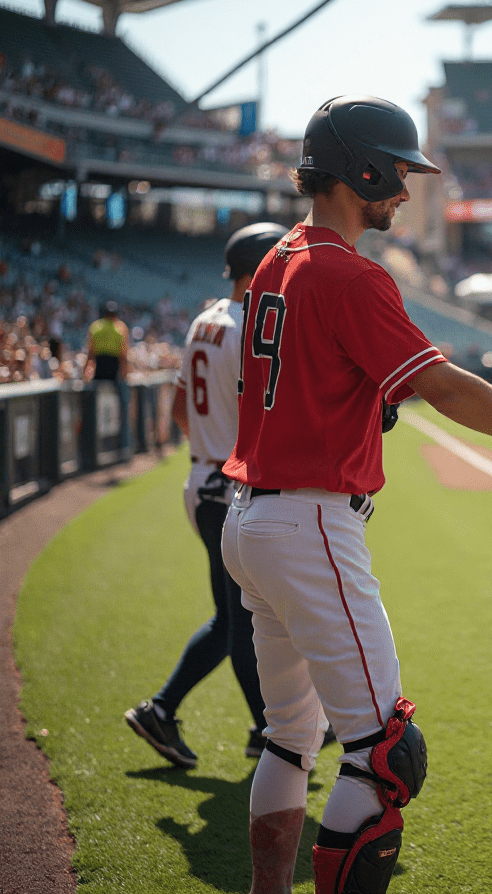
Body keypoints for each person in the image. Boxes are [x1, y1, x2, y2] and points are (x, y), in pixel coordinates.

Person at [219, 95, 492, 894]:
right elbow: (446, 388)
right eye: (396, 172)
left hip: (252, 518)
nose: (403, 190)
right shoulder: (351, 273)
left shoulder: (276, 258)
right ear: (359, 169)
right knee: (385, 755)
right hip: (309, 522)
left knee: (290, 738)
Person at [124, 224, 286, 768]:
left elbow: (178, 410)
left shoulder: (204, 319)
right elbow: (266, 417)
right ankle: (264, 729)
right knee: (242, 620)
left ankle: (260, 728)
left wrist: (210, 449)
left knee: (235, 616)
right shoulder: (249, 328)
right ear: (259, 269)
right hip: (226, 488)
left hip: (204, 478)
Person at [85, 300, 129, 381]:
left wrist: (86, 369)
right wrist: (125, 370)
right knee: (117, 385)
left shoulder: (96, 326)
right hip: (112, 362)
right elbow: (124, 352)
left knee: (97, 384)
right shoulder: (120, 327)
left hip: (101, 361)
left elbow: (90, 351)